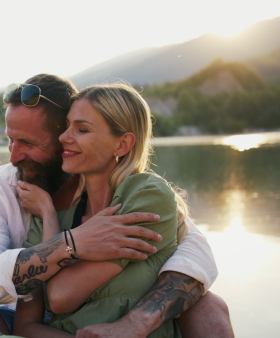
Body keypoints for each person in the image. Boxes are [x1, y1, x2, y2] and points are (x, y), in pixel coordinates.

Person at [0, 74, 232, 338]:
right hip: (19, 313)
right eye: (10, 140)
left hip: (112, 322)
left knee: (208, 304)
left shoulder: (139, 192)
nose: (13, 157)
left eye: (29, 143)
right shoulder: (7, 190)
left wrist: (136, 323)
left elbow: (195, 250)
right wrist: (71, 243)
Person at [13, 82, 187, 337]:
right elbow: (25, 326)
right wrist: (51, 216)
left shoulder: (147, 195)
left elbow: (60, 296)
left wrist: (59, 240)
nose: (64, 138)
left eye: (81, 129)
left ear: (122, 144)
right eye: (67, 126)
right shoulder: (50, 212)